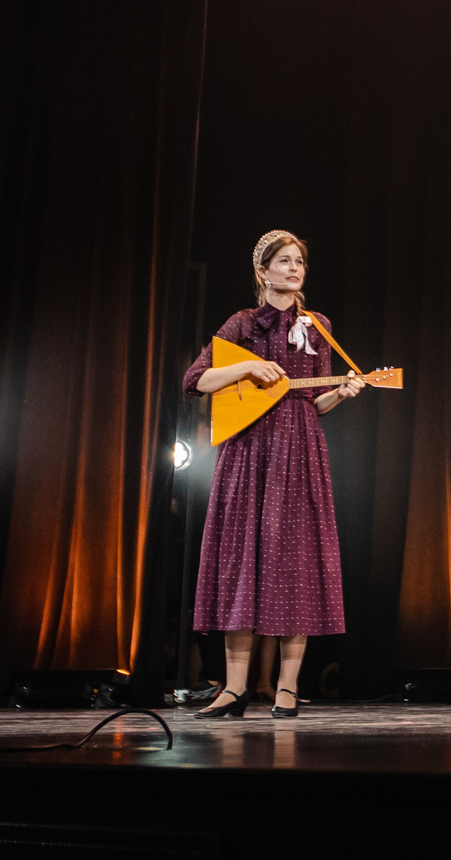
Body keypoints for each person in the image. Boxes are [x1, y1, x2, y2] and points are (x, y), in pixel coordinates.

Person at [183, 229, 364, 718]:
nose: (294, 268)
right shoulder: (243, 324)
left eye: (299, 262)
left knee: (295, 563)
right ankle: (234, 688)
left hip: (300, 451)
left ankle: (286, 688)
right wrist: (247, 370)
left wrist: (341, 393)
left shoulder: (318, 326)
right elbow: (195, 380)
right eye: (283, 261)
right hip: (248, 453)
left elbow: (315, 401)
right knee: (242, 559)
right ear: (263, 271)